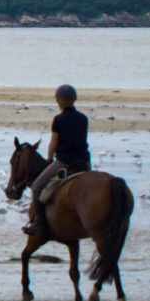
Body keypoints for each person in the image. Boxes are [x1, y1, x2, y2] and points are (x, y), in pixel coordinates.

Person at [23, 84, 91, 236]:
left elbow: (53, 143)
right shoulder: (83, 118)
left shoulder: (58, 119)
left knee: (37, 187)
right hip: (84, 161)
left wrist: (49, 159)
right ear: (74, 100)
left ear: (59, 100)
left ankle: (39, 224)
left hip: (65, 161)